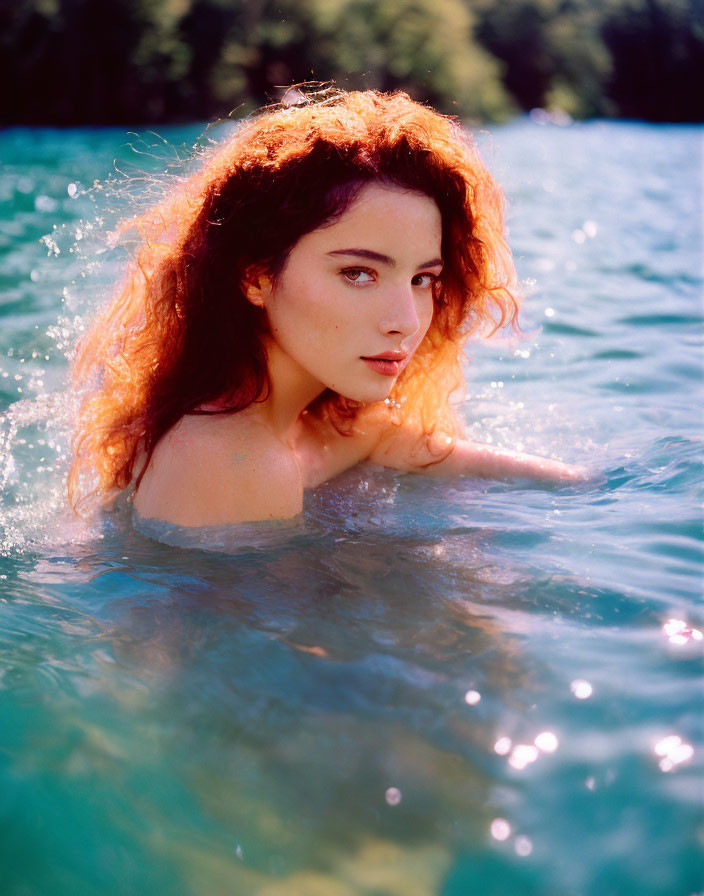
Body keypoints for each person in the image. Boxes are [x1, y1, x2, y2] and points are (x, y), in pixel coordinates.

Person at [68, 88, 583, 528]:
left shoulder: (316, 425)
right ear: (257, 276)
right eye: (358, 273)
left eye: (424, 279)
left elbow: (415, 449)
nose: (405, 321)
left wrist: (585, 488)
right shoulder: (231, 458)